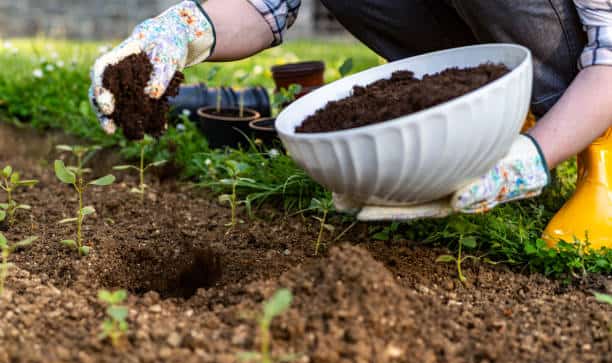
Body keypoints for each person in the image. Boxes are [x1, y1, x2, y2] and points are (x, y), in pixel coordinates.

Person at [90, 0, 612, 247]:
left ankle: (595, 148)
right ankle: (490, 103)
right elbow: (266, 5)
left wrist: (534, 157)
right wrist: (179, 32)